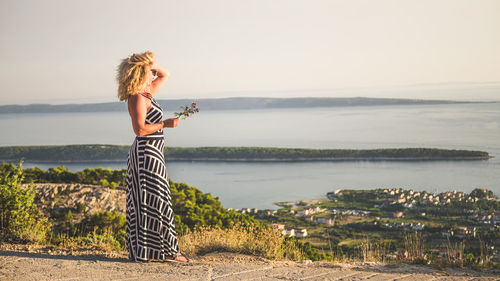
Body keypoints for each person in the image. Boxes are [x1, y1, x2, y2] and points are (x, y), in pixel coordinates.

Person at [116, 51, 192, 263]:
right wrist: (165, 124)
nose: (152, 74)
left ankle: (156, 251)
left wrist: (149, 65)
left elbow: (165, 74)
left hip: (154, 152)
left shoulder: (147, 92)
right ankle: (168, 252)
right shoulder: (137, 97)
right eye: (147, 71)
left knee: (158, 200)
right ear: (140, 74)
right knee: (153, 202)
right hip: (146, 153)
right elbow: (139, 130)